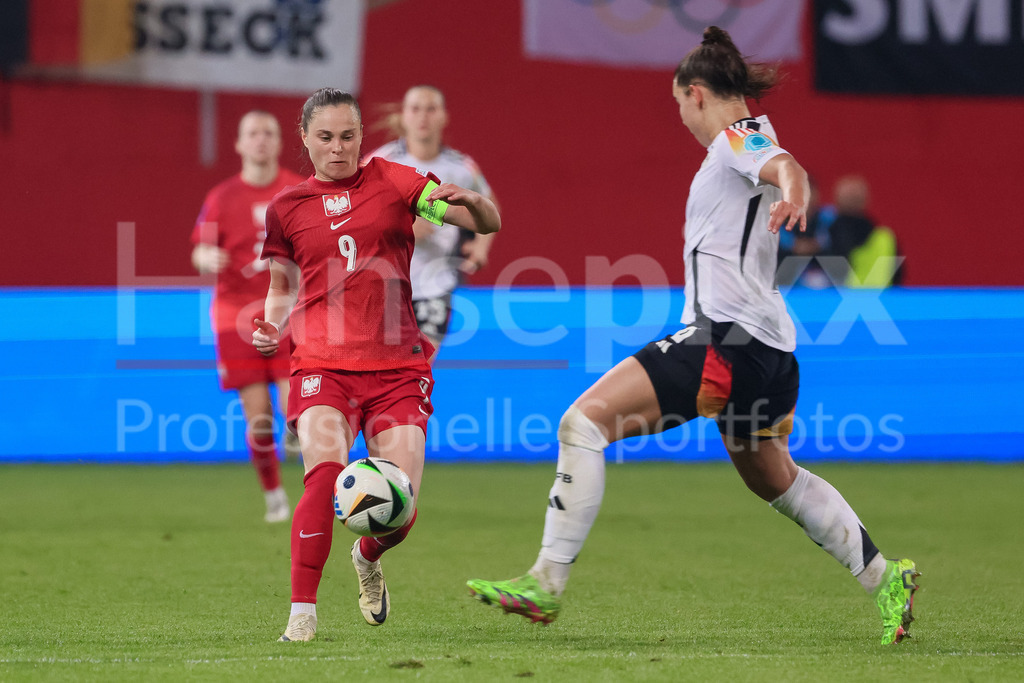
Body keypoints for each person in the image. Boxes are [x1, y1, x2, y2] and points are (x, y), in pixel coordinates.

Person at [467, 27, 919, 646]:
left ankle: (546, 580)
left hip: (723, 340)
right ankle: (884, 576)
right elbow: (778, 162)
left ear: (698, 93)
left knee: (582, 424)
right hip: (773, 351)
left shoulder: (739, 138)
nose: (680, 115)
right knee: (771, 475)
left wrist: (795, 193)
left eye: (679, 102)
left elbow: (787, 168)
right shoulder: (750, 139)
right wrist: (786, 190)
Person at [252, 88, 500, 642]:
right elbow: (279, 287)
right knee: (322, 478)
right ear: (305, 139)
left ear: (361, 137)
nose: (337, 148)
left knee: (402, 509)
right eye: (325, 137)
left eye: (347, 136)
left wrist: (477, 207)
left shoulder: (393, 179)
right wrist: (273, 325)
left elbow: (483, 223)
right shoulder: (287, 208)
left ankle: (367, 554)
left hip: (396, 368)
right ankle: (301, 613)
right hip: (322, 363)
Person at [190, 110, 303, 523]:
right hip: (235, 315)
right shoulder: (221, 197)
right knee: (259, 418)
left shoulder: (297, 190)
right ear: (239, 144)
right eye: (252, 133)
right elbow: (199, 249)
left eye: (269, 133)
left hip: (288, 311)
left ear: (280, 142)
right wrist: (206, 256)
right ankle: (274, 494)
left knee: (298, 409)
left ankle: (302, 456)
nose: (261, 140)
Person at [365, 85, 498, 357]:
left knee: (420, 367)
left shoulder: (461, 167)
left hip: (436, 283)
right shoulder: (379, 162)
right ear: (403, 116)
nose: (423, 116)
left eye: (431, 109)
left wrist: (482, 245)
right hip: (385, 283)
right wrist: (399, 226)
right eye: (415, 108)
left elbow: (489, 202)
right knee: (384, 368)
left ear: (444, 117)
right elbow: (353, 210)